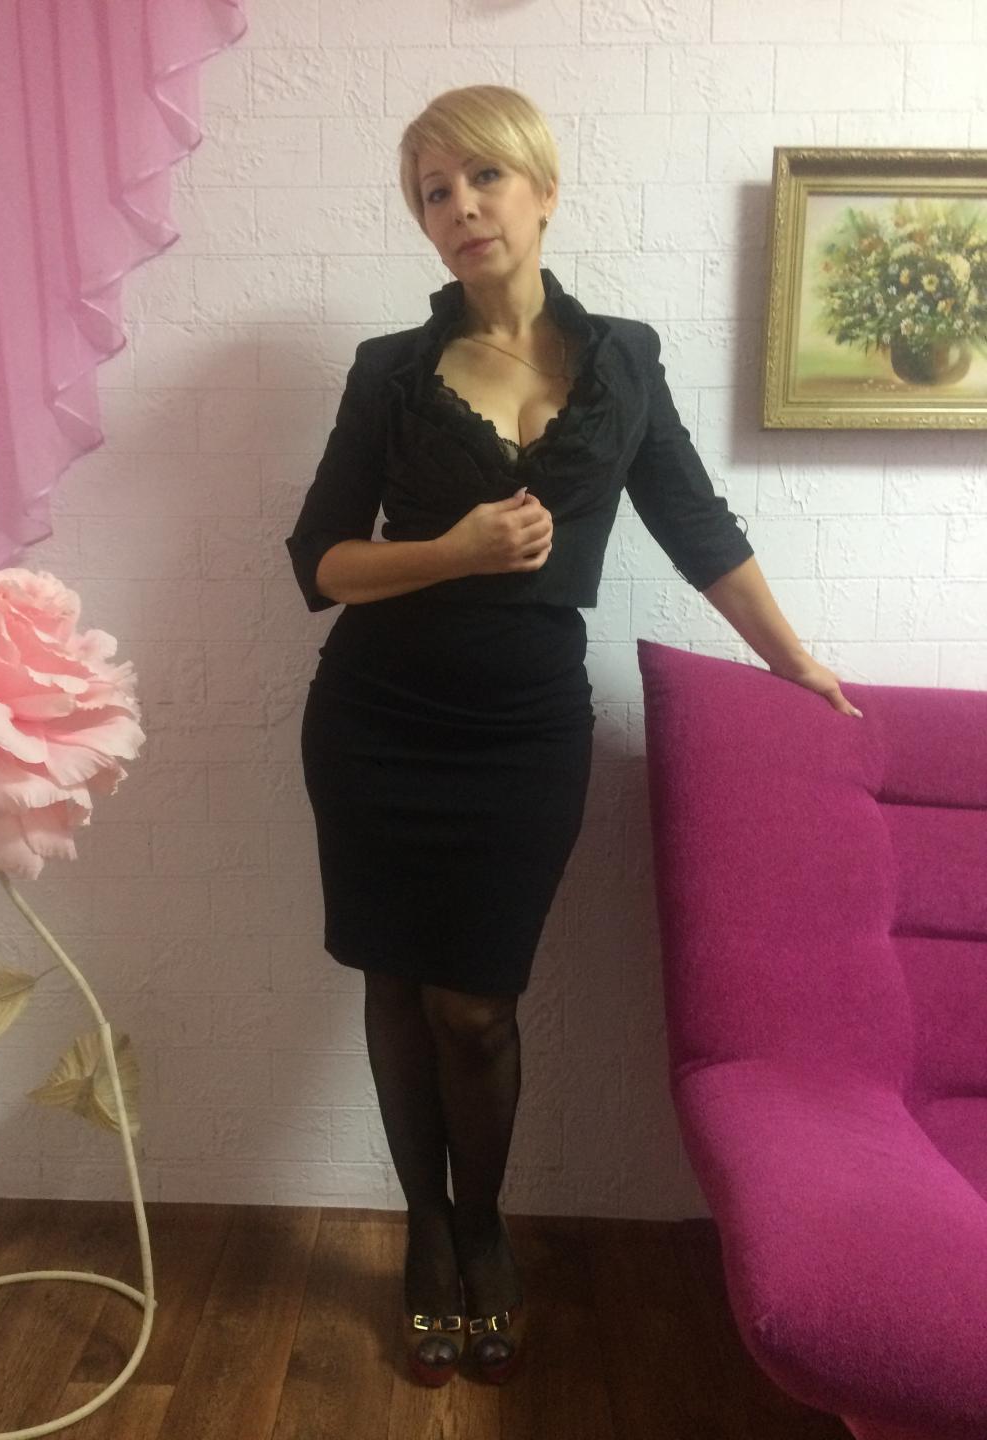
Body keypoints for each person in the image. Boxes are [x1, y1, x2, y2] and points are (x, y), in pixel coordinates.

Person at [285, 84, 862, 1389]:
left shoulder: (625, 361)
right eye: (434, 191)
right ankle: (427, 1235)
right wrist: (451, 550)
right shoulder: (390, 372)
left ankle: (482, 1222)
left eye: (483, 177)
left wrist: (794, 660)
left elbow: (697, 525)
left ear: (543, 189)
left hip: (525, 731)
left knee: (475, 1005)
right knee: (396, 984)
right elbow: (317, 562)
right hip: (377, 721)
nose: (461, 207)